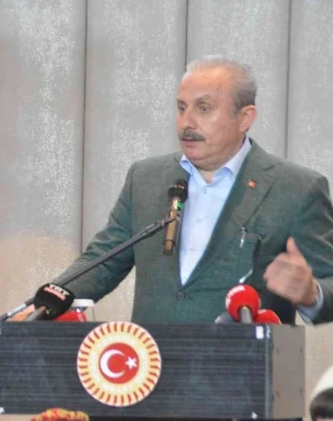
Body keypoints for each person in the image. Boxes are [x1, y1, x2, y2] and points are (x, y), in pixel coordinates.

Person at [53, 56, 333, 324]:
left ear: (244, 118)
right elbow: (101, 262)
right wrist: (45, 303)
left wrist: (312, 294)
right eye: (181, 108)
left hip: (242, 356)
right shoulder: (146, 178)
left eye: (204, 108)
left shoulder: (296, 189)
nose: (186, 122)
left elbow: (329, 283)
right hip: (149, 355)